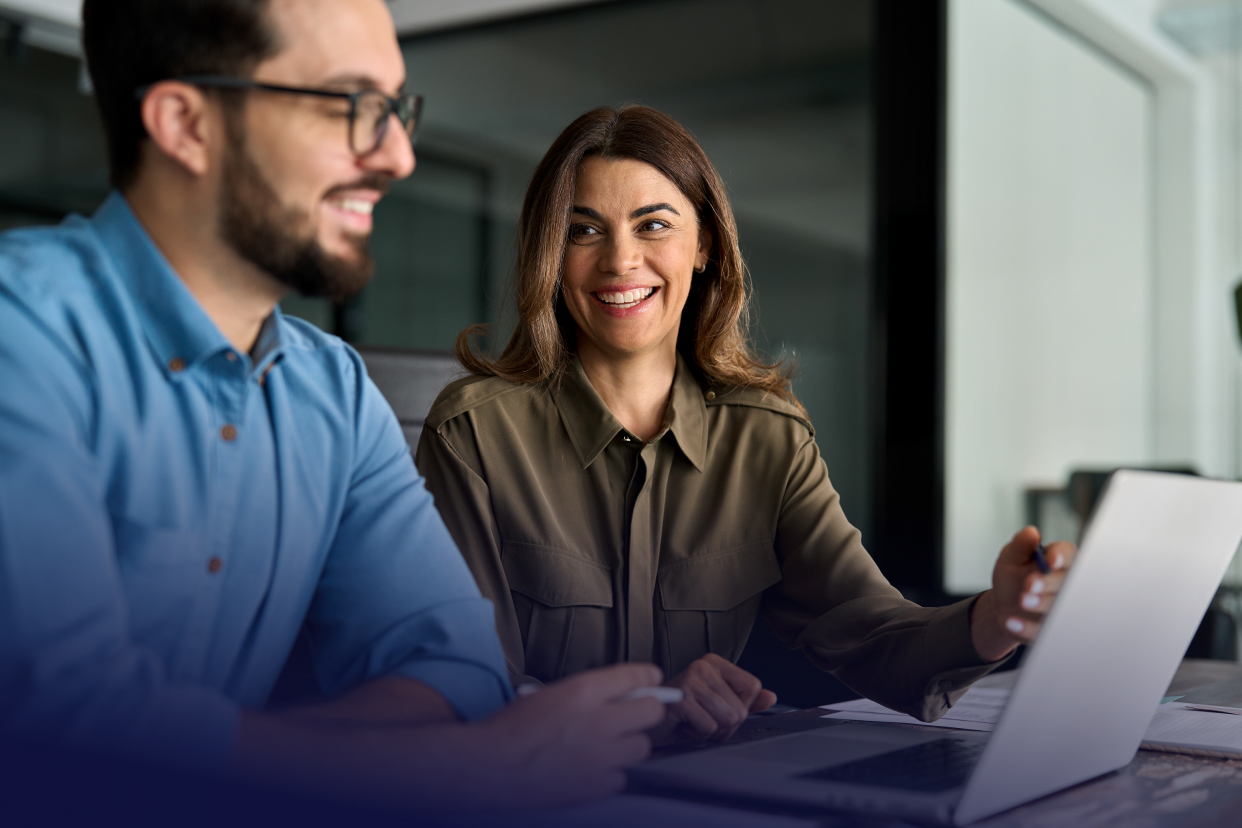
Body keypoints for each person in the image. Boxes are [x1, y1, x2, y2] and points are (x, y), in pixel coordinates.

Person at [0, 0, 665, 812]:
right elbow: (63, 724)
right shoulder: (19, 331)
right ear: (184, 124)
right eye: (351, 106)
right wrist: (461, 769)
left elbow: (456, 667)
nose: (397, 156)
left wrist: (217, 758)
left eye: (395, 110)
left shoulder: (332, 391)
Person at [416, 105, 1076, 744]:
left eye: (653, 225)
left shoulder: (768, 438)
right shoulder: (473, 435)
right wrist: (657, 704)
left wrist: (997, 616)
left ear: (703, 244)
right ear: (550, 255)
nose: (619, 261)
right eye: (584, 230)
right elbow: (461, 688)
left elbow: (871, 633)